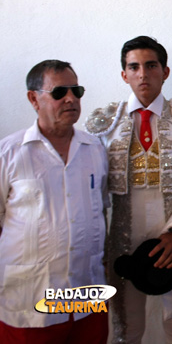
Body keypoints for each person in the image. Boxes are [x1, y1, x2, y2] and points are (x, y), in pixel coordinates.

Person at [85, 36, 172, 343]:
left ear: (165, 71)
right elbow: (89, 196)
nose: (143, 74)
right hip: (121, 243)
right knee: (125, 331)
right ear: (124, 74)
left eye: (151, 65)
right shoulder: (102, 126)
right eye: (134, 67)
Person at [0, 60, 109, 343]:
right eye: (60, 92)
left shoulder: (95, 150)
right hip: (29, 303)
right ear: (33, 98)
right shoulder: (9, 154)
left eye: (76, 90)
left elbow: (101, 211)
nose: (71, 98)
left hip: (87, 298)